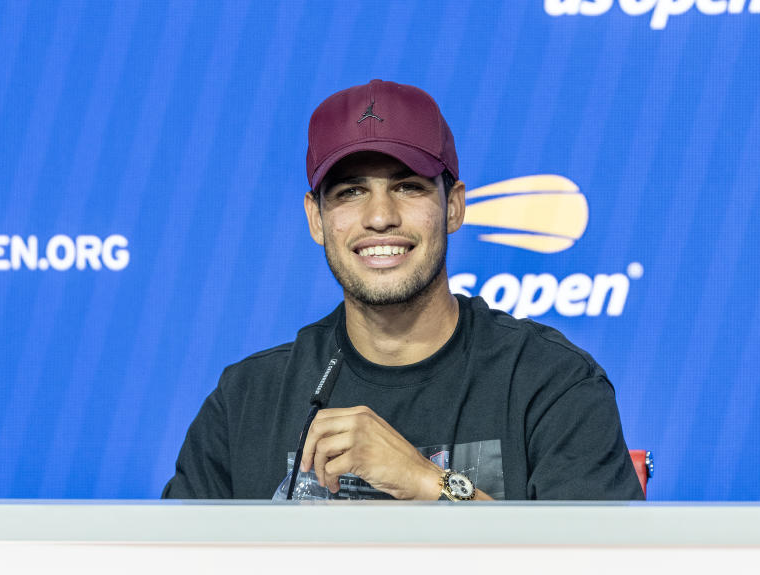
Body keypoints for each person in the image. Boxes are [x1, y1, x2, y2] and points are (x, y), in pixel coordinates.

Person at [163, 79, 643, 501]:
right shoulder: (248, 400)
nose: (379, 216)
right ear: (316, 218)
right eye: (350, 192)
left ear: (453, 207)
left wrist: (428, 484)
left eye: (408, 187)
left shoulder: (550, 381)